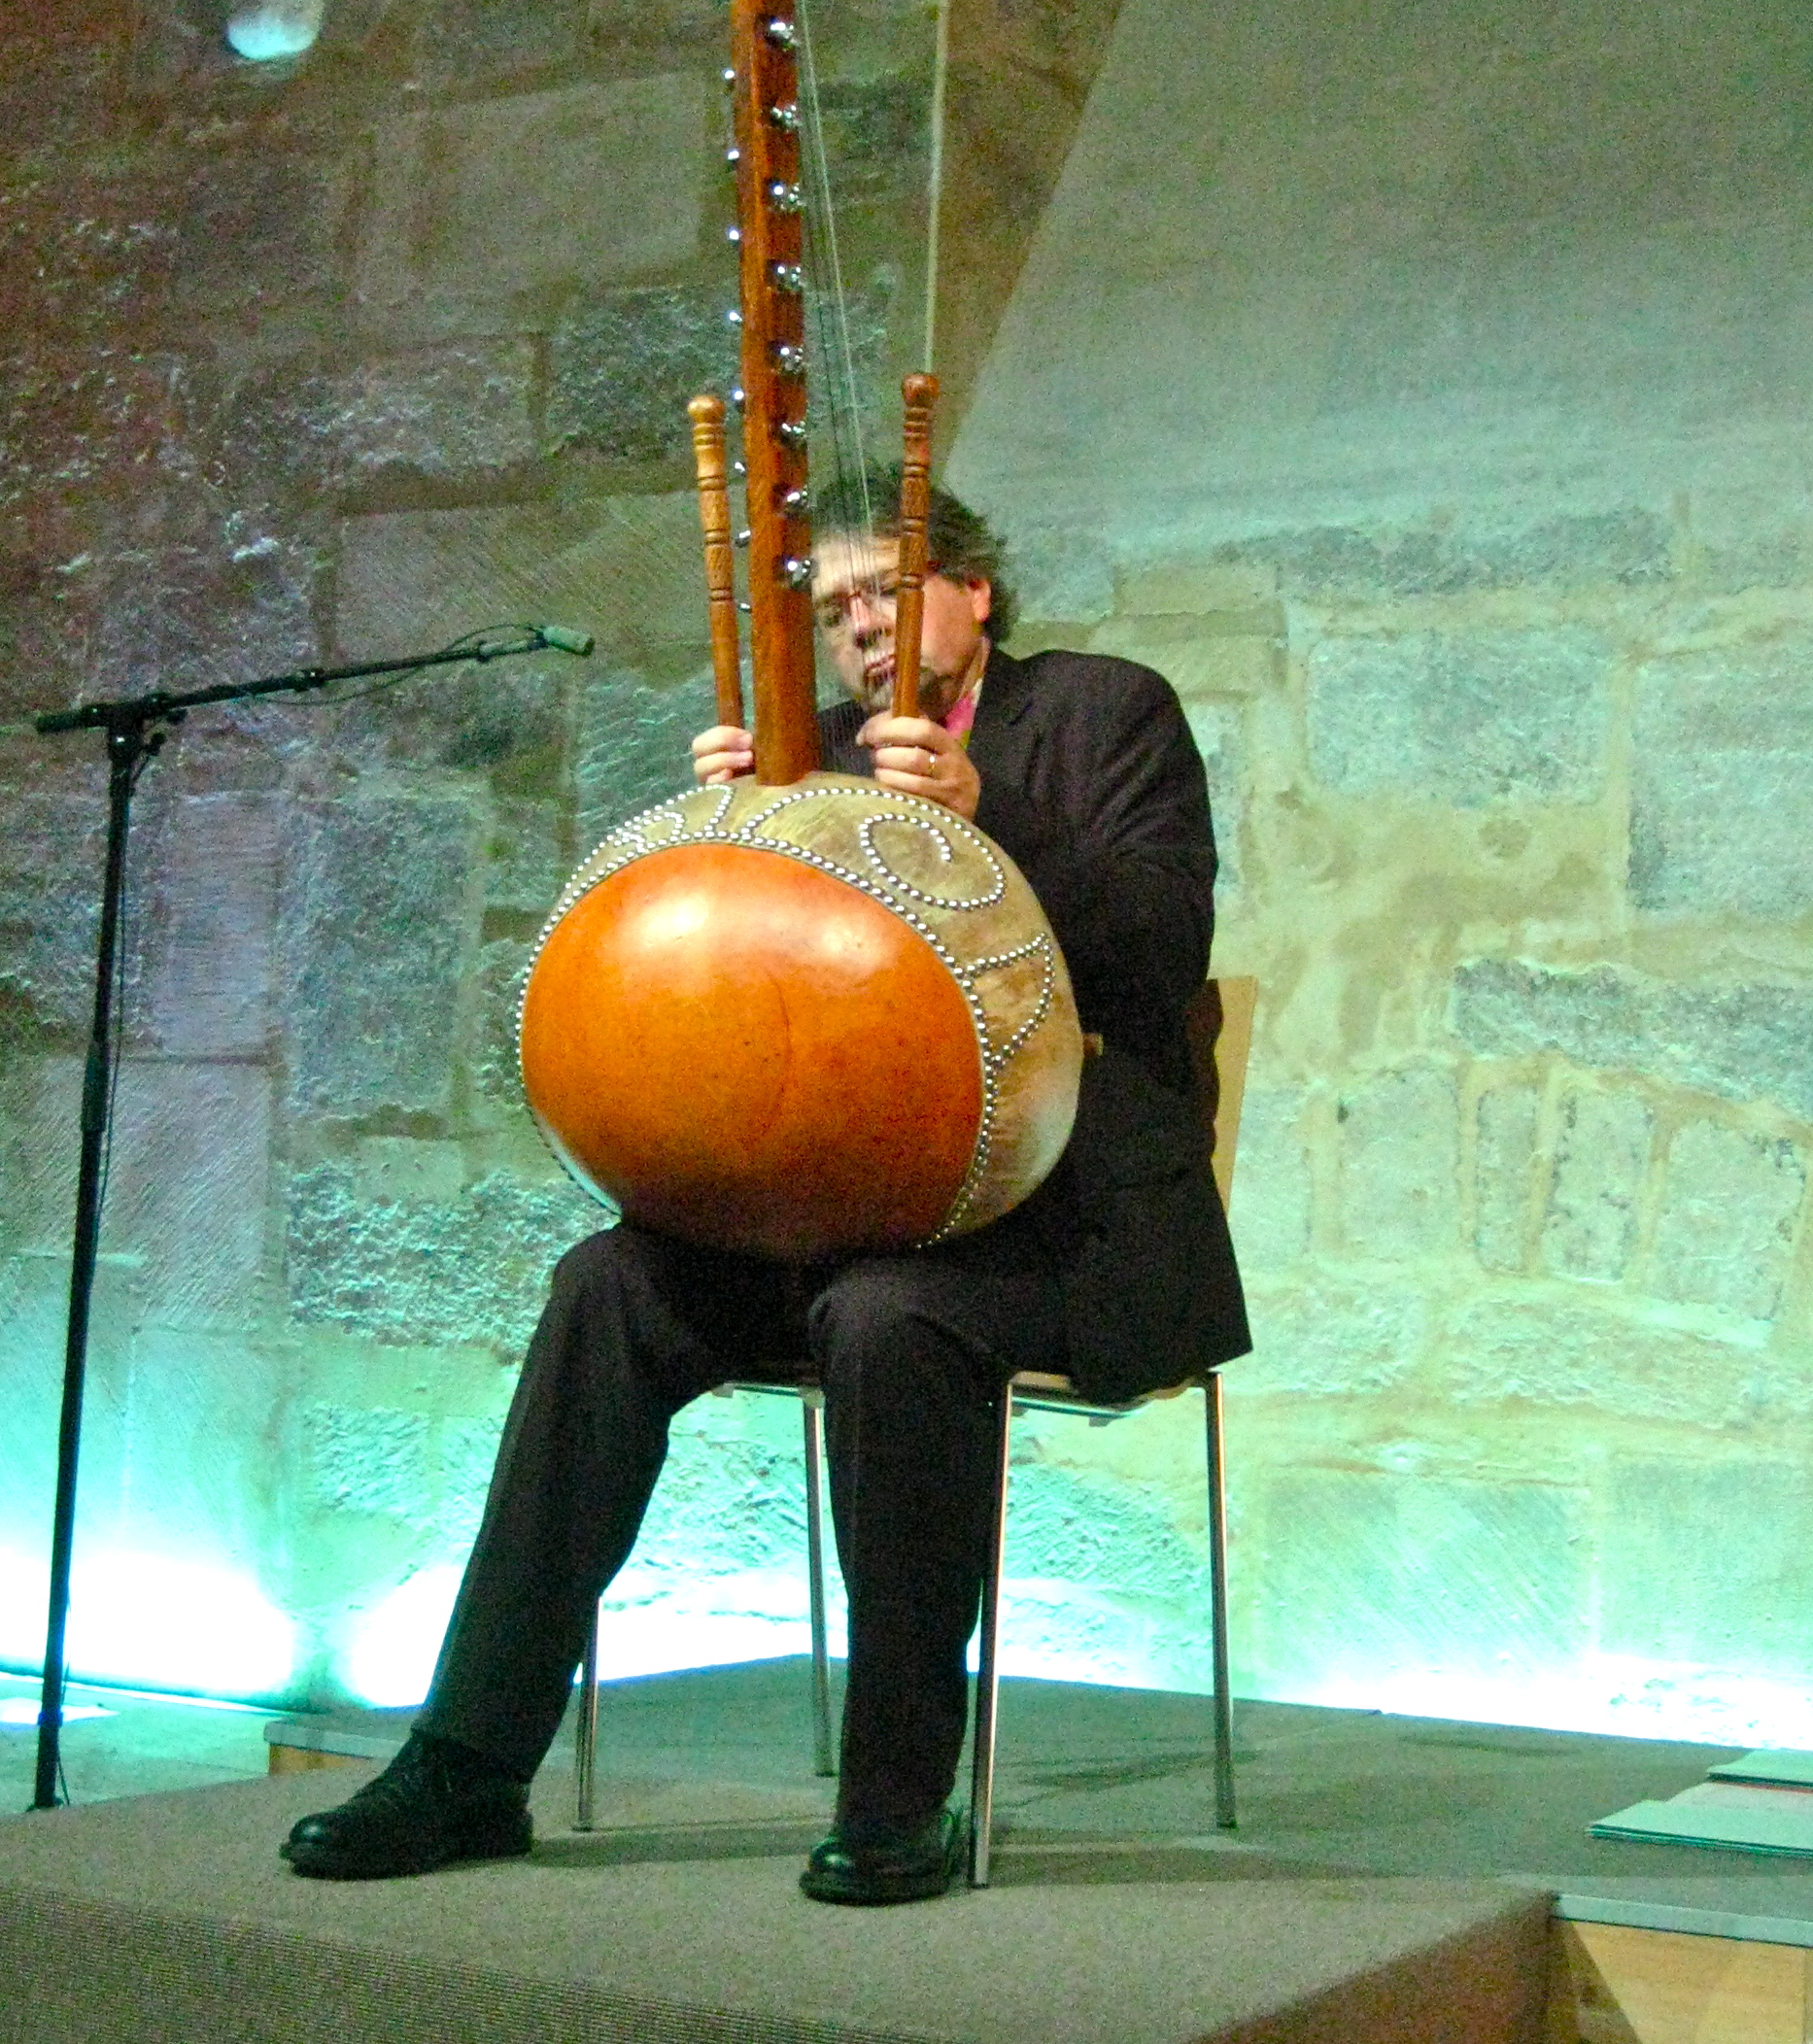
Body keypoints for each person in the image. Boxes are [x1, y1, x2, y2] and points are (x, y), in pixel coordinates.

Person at [281, 472, 1249, 1901]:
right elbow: (756, 998)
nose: (860, 625)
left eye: (888, 588)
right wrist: (725, 830)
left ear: (974, 591)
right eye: (835, 605)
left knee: (889, 1318)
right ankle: (468, 1763)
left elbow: (1164, 943)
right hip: (836, 1213)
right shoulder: (815, 761)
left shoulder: (1106, 711)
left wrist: (995, 819)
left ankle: (896, 1794)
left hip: (1066, 1223)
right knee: (604, 1282)